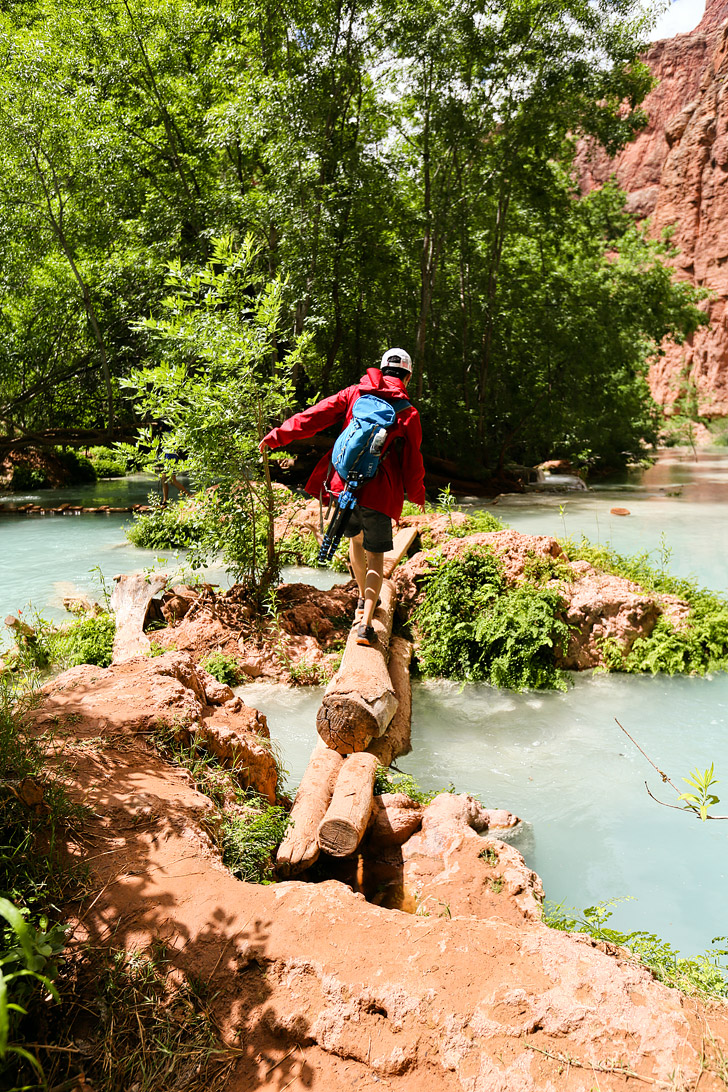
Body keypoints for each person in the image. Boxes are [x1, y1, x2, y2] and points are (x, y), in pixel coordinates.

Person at [259, 348, 426, 647]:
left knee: (355, 542)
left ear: (382, 368)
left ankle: (363, 599)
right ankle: (366, 625)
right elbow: (413, 461)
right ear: (408, 376)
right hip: (379, 492)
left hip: (344, 486)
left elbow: (312, 418)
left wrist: (276, 436)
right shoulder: (408, 412)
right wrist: (417, 494)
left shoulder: (354, 393)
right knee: (376, 556)